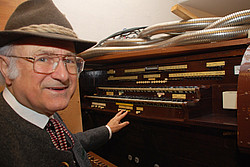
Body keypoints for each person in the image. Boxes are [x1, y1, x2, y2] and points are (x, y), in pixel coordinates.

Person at [0, 0, 129, 166]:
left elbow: (67, 143)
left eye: (69, 60)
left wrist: (107, 129)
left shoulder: (41, 112)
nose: (63, 76)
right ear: (5, 67)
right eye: (43, 59)